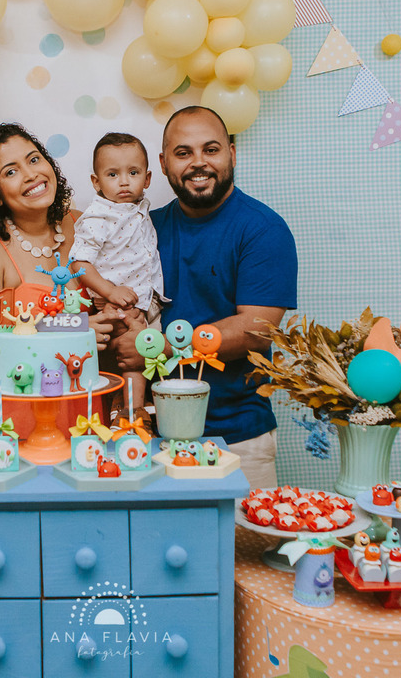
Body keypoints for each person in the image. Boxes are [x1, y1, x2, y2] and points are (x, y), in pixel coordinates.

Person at [110, 106, 298, 488]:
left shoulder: (263, 230)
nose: (198, 163)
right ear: (163, 164)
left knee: (242, 546)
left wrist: (158, 347)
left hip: (237, 437)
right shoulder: (144, 229)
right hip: (149, 435)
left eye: (210, 150)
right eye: (183, 153)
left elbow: (256, 330)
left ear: (231, 152)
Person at [0, 122, 121, 387]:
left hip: (88, 401)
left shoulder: (86, 225)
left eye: (34, 159)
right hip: (15, 411)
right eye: (11, 172)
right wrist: (69, 338)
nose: (31, 174)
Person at [70, 132, 166, 413]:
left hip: (146, 299)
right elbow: (79, 263)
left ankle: (133, 403)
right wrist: (110, 291)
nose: (124, 181)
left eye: (133, 172)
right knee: (134, 345)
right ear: (96, 182)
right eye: (112, 174)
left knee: (149, 351)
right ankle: (132, 411)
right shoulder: (99, 217)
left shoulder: (139, 208)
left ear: (147, 179)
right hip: (116, 300)